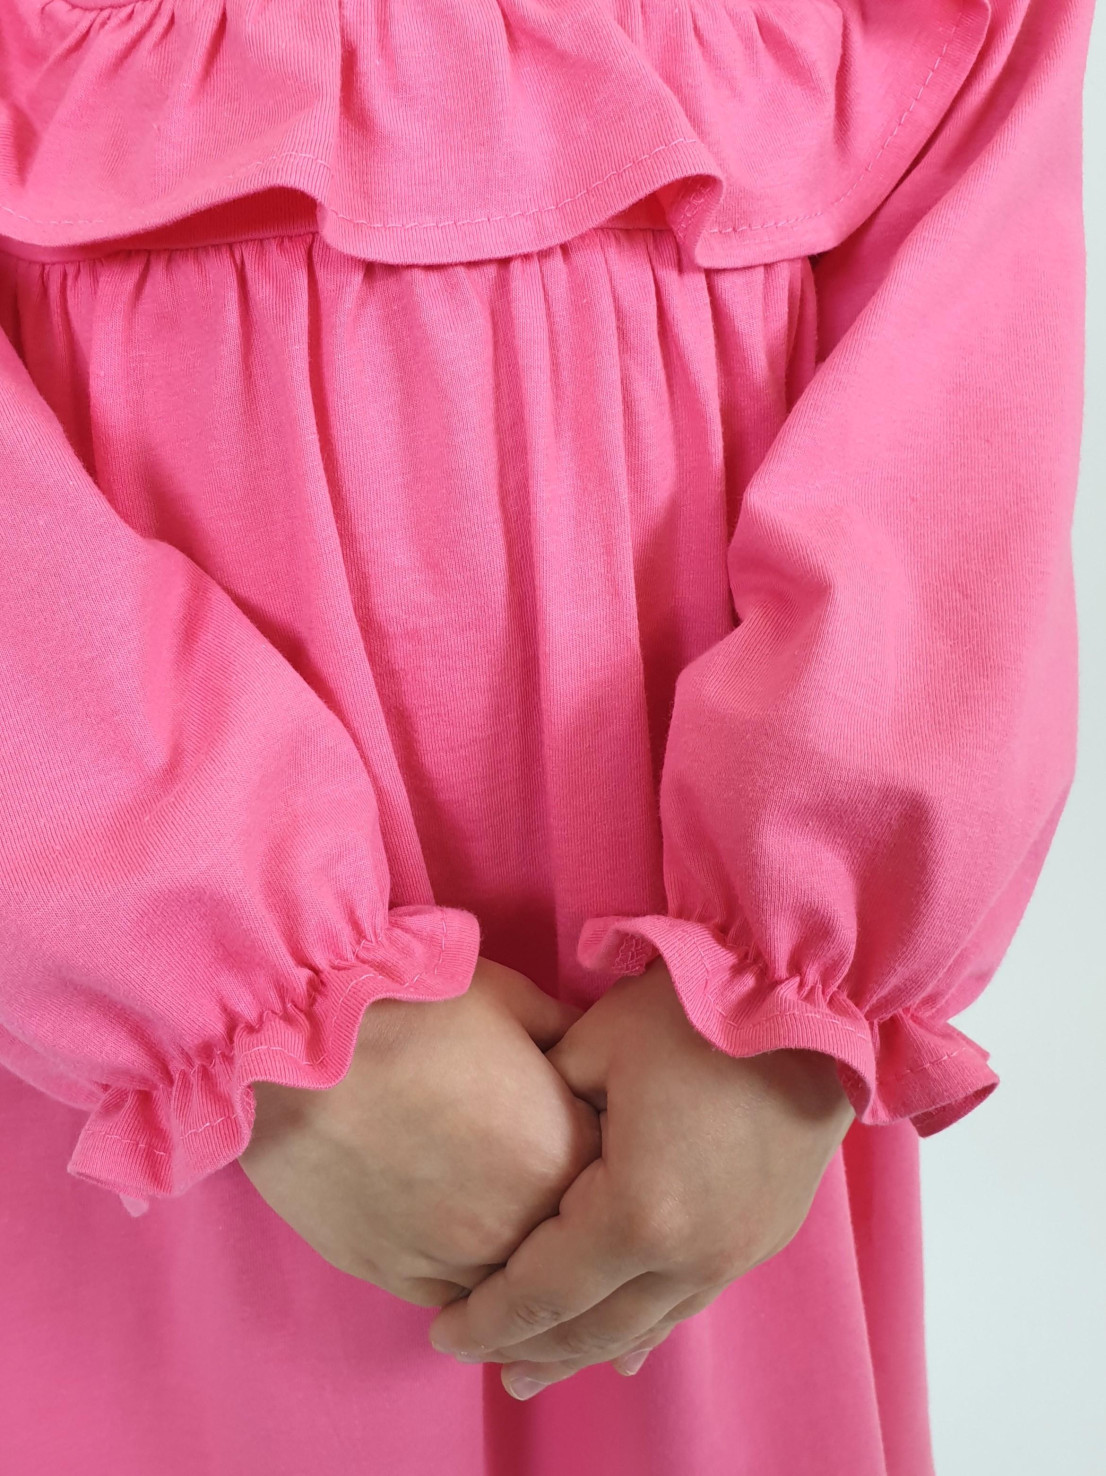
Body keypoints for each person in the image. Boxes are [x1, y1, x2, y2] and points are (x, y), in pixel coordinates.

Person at [0, 0, 1091, 1472]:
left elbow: (963, 373)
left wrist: (777, 1001)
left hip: (696, 1073)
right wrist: (232, 1003)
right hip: (126, 1062)